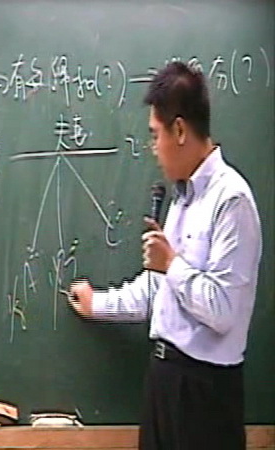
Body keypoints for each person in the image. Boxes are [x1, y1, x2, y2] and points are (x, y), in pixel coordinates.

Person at [68, 62, 262, 450]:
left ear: (180, 130)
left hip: (204, 394)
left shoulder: (232, 201)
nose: (153, 149)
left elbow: (223, 311)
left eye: (155, 135)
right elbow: (157, 291)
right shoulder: (182, 200)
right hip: (164, 381)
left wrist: (171, 264)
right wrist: (96, 304)